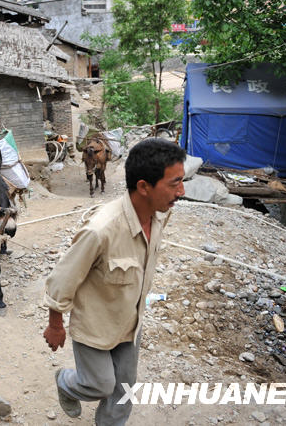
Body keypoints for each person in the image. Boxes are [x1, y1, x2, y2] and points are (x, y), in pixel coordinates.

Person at [43, 138, 186, 425]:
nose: (181, 192)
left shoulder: (160, 216)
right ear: (144, 187)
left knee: (123, 390)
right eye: (174, 183)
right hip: (96, 323)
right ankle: (65, 382)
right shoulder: (101, 230)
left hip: (130, 319)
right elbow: (62, 278)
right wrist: (56, 324)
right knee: (99, 385)